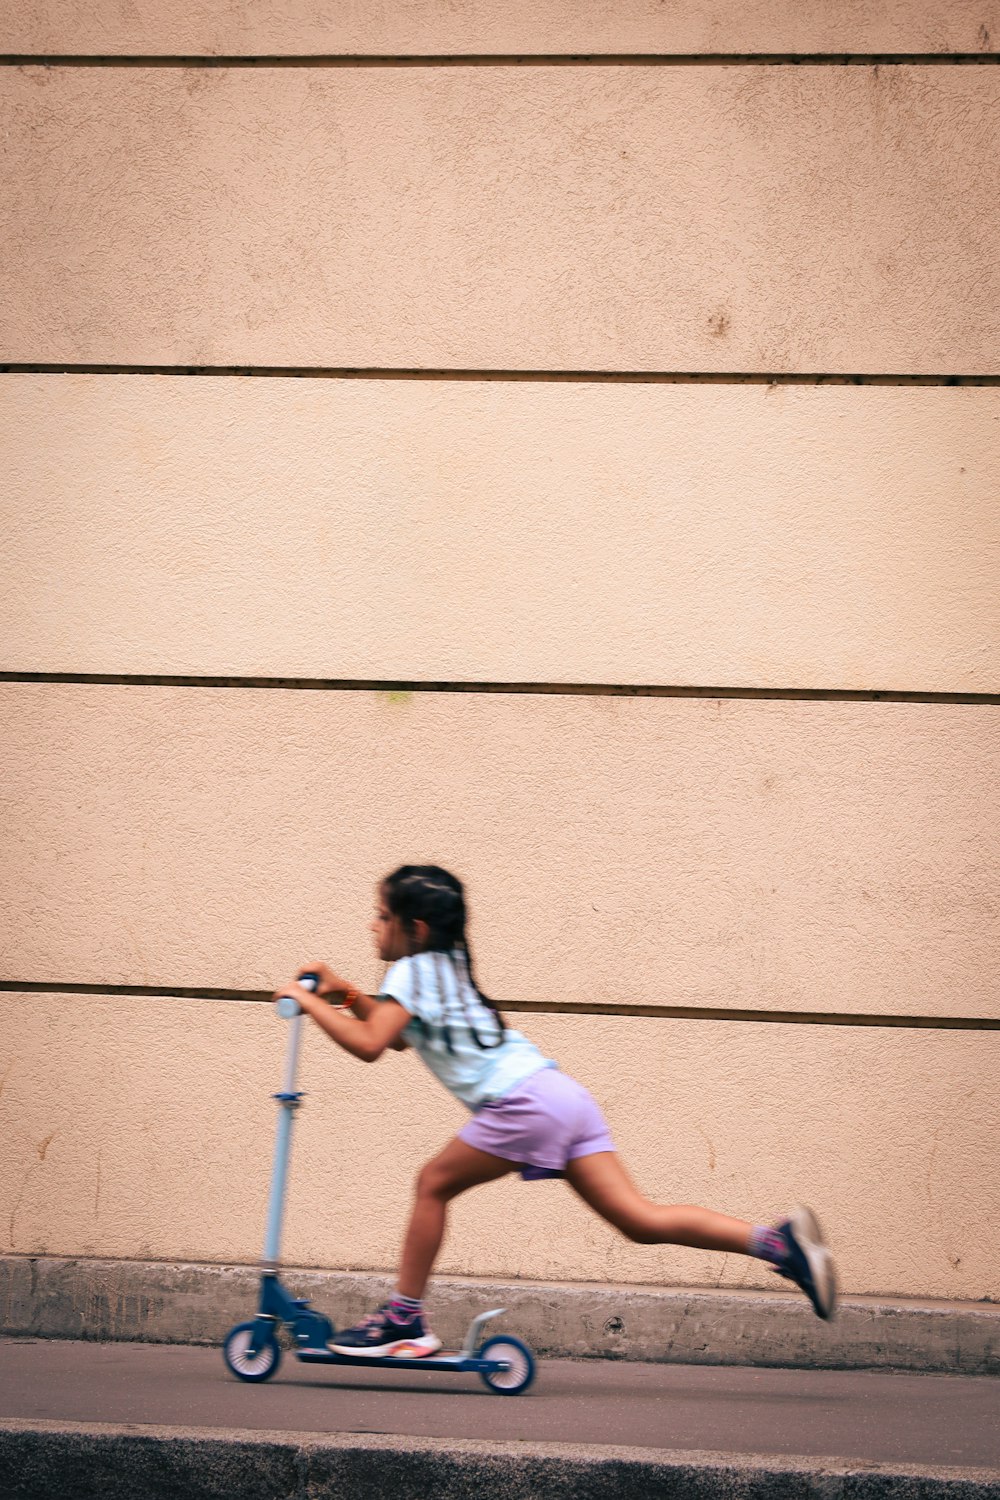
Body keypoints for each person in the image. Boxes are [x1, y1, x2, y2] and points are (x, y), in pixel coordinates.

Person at [276, 864, 836, 1357]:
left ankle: (404, 1320)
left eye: (380, 915)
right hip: (558, 1094)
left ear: (414, 928)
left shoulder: (412, 973)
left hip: (523, 1103)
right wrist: (343, 993)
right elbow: (394, 1035)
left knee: (431, 1185)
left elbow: (371, 1044)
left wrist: (305, 1000)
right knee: (640, 1221)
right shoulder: (441, 967)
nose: (372, 925)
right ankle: (778, 1244)